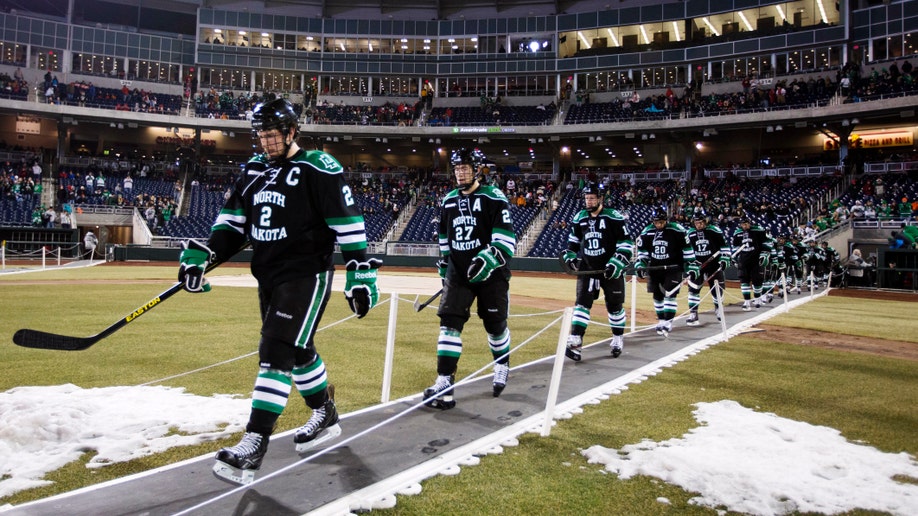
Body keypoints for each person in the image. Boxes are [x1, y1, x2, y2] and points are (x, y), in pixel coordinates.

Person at [178, 98, 381, 483]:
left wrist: (359, 272)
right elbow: (232, 225)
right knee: (299, 350)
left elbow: (349, 223)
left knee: (275, 349)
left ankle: (254, 442)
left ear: (291, 132)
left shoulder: (318, 167)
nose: (266, 142)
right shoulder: (253, 170)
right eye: (261, 135)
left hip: (307, 272)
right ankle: (325, 411)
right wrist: (204, 256)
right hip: (268, 274)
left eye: (273, 134)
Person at [423, 147, 516, 410]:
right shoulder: (448, 200)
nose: (460, 172)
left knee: (495, 324)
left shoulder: (494, 197)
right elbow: (444, 236)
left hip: (491, 273)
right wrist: (444, 264)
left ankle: (501, 365)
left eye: (465, 167)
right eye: (457, 168)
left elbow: (506, 239)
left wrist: (487, 259)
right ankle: (444, 382)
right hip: (459, 271)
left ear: (477, 169)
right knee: (449, 324)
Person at [561, 182, 634, 360]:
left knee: (614, 307)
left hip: (611, 269)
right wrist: (569, 256)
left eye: (592, 198)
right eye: (586, 198)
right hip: (588, 268)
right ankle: (576, 342)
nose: (589, 201)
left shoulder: (613, 216)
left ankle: (617, 338)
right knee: (582, 304)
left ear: (600, 198)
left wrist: (617, 262)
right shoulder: (579, 217)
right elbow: (572, 243)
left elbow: (626, 243)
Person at [634, 207, 697, 336]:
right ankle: (661, 320)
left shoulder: (677, 230)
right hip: (655, 268)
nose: (659, 224)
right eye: (656, 222)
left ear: (666, 220)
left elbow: (687, 248)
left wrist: (691, 264)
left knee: (670, 294)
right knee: (657, 296)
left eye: (661, 222)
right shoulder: (647, 231)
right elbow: (643, 250)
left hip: (673, 268)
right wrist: (641, 262)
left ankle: (668, 322)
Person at [684, 212, 730, 325]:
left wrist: (725, 259)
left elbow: (724, 246)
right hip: (697, 266)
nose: (698, 225)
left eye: (700, 223)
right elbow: (686, 250)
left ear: (705, 221)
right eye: (696, 223)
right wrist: (690, 263)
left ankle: (718, 309)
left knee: (717, 289)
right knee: (693, 289)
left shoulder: (714, 231)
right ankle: (693, 314)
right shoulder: (690, 233)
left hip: (713, 264)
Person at [731, 216, 772, 310]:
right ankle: (747, 302)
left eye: (746, 224)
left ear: (749, 223)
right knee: (744, 280)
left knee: (757, 280)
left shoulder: (758, 230)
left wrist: (765, 254)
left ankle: (757, 299)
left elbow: (767, 242)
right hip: (743, 260)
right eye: (743, 224)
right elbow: (735, 246)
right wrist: (735, 257)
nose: (744, 226)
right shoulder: (737, 233)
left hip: (755, 259)